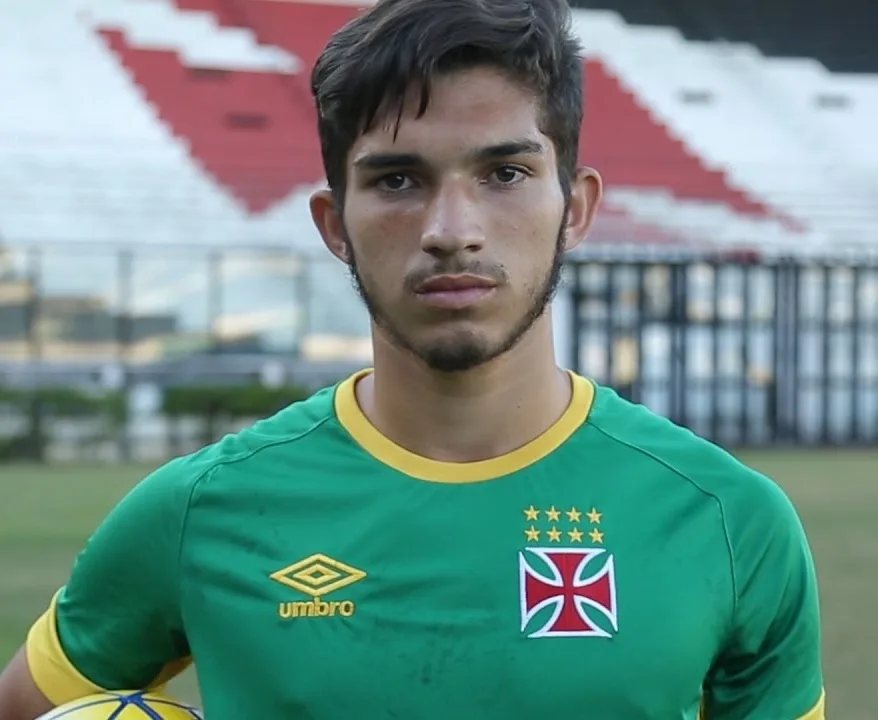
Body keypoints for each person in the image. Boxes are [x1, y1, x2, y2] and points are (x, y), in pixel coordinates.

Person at [0, 0, 825, 717]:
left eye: (504, 172)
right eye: (398, 181)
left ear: (575, 209)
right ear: (334, 225)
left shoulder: (729, 520)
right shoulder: (196, 513)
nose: (451, 228)